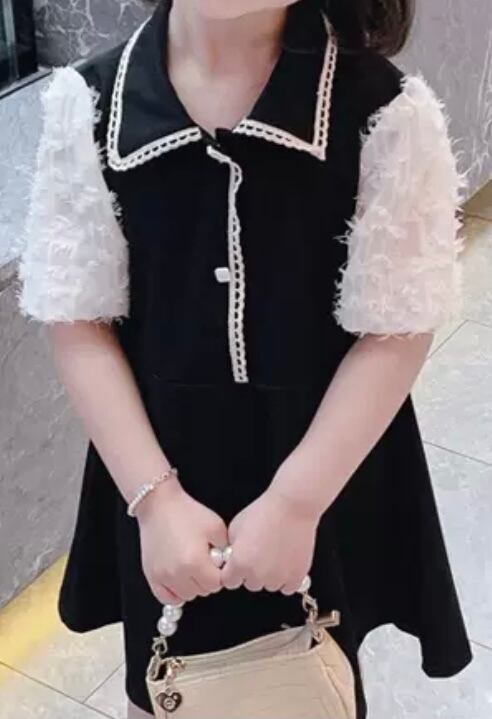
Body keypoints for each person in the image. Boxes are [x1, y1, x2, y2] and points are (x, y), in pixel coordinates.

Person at [17, 0, 473, 716]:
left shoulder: (385, 111)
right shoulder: (90, 106)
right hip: (158, 465)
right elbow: (77, 318)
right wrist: (155, 500)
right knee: (166, 680)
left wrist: (297, 501)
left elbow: (399, 326)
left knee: (314, 675)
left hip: (324, 460)